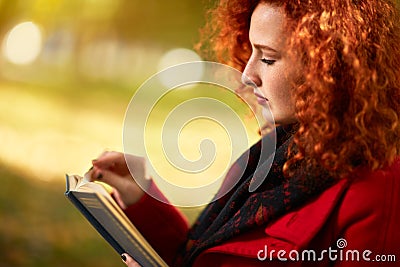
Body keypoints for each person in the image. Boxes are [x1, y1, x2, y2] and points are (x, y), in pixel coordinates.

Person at [88, 0, 400, 266]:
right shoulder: (273, 153)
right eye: (250, 50)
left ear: (329, 65)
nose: (247, 74)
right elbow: (204, 254)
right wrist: (143, 197)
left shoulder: (380, 188)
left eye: (267, 57)